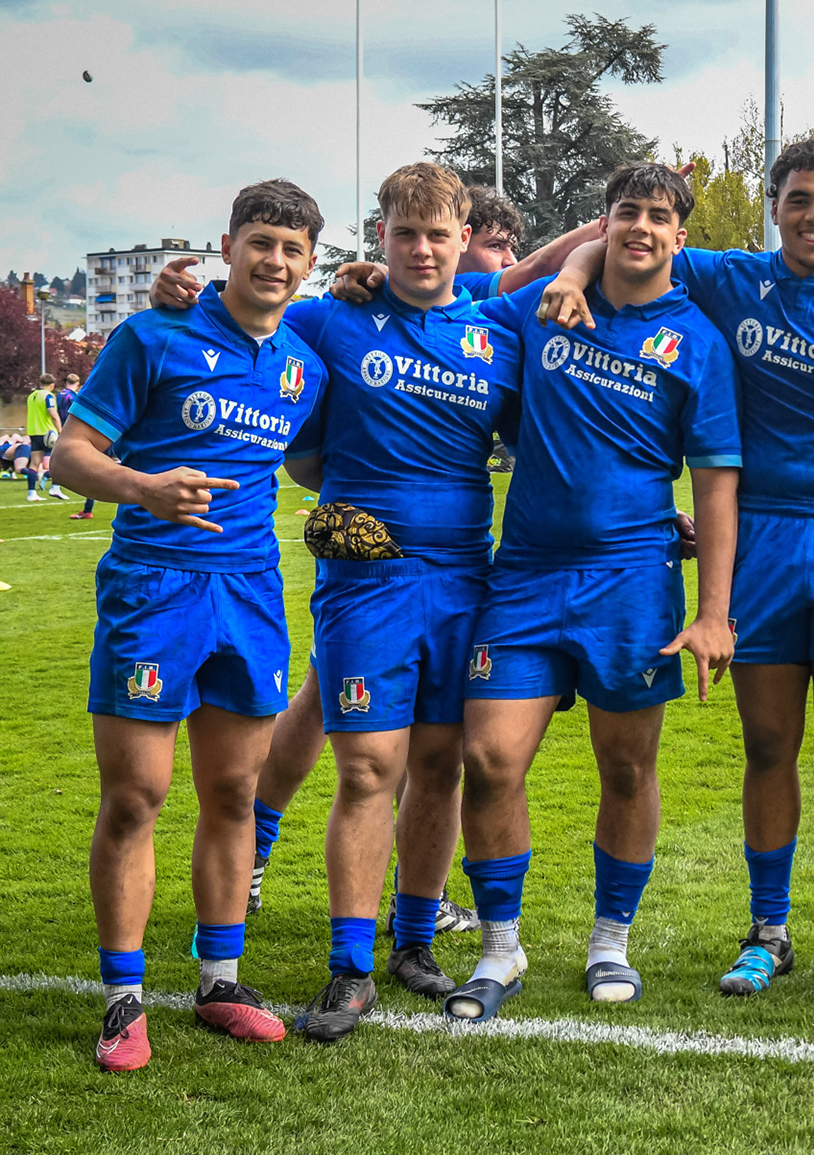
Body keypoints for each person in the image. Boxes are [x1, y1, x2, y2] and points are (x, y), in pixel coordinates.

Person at [539, 137, 814, 1003]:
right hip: (759, 543)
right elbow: (622, 240)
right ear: (776, 207)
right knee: (767, 744)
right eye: (798, 199)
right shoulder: (731, 278)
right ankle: (768, 931)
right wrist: (574, 269)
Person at [149, 184, 590, 923]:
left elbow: (542, 289)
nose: (502, 259)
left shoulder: (489, 318)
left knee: (391, 735)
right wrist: (179, 297)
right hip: (364, 571)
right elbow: (251, 320)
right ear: (385, 234)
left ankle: (404, 902)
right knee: (361, 748)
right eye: (406, 234)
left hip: (453, 570)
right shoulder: (340, 313)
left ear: (458, 240)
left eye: (440, 235)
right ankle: (263, 856)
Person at [445, 161, 740, 1021]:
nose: (641, 226)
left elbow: (717, 484)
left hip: (633, 582)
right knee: (489, 761)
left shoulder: (698, 343)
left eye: (658, 215)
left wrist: (713, 613)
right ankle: (500, 947)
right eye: (626, 212)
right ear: (602, 223)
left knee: (628, 766)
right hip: (525, 576)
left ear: (679, 235)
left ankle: (610, 941)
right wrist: (362, 284)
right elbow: (445, 314)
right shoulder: (542, 309)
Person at [50, 179, 331, 1071]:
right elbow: (69, 456)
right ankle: (122, 999)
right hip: (153, 589)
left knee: (236, 794)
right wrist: (144, 488)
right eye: (260, 242)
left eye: (292, 249)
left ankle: (220, 982)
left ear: (310, 263)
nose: (274, 261)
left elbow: (316, 457)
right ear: (227, 245)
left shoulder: (305, 364)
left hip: (250, 592)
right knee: (137, 795)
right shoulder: (152, 336)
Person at [59, 373, 99, 519]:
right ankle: (88, 509)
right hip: (95, 434)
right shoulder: (78, 396)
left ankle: (50, 480)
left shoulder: (61, 395)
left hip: (77, 434)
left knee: (89, 470)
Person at [25, 373, 68, 501]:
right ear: (52, 385)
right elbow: (52, 413)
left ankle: (31, 493)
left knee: (34, 463)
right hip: (47, 433)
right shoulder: (48, 396)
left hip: (33, 432)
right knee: (60, 460)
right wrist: (60, 430)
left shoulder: (31, 396)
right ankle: (55, 487)